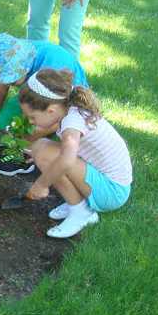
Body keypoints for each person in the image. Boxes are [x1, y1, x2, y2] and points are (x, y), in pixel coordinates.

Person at [20, 68, 132, 238]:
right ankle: (77, 200)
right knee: (41, 149)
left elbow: (66, 160)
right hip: (107, 182)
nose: (30, 121)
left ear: (51, 110)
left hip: (112, 192)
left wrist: (41, 185)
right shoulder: (68, 109)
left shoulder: (72, 123)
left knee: (44, 153)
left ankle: (81, 212)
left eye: (32, 117)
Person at [0, 33, 88, 176]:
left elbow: (59, 115)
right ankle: (21, 141)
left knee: (35, 126)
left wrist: (20, 143)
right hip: (38, 96)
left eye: (12, 80)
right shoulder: (12, 53)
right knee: (3, 120)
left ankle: (26, 157)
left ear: (23, 69)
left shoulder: (52, 66)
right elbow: (1, 88)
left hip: (65, 104)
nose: (9, 83)